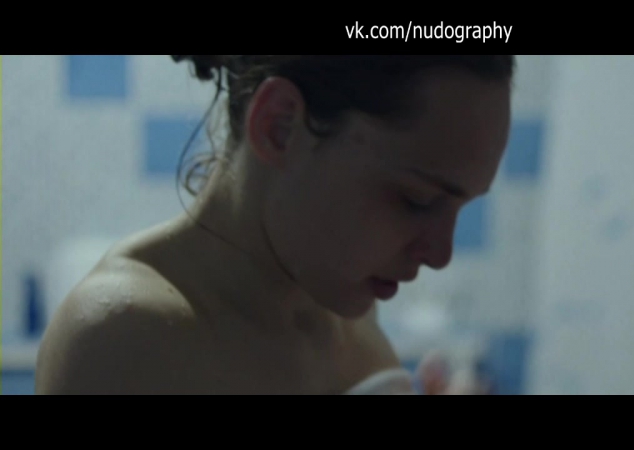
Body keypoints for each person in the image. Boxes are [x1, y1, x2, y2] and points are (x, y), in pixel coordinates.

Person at [35, 55, 515, 394]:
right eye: (416, 200)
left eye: (461, 207)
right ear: (279, 125)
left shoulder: (344, 310)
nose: (441, 255)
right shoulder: (125, 338)